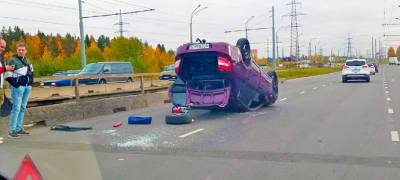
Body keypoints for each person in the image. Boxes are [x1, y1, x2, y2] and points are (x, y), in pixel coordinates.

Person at [7, 42, 33, 138]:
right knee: (16, 108)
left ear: (25, 51)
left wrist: (30, 83)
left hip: (27, 87)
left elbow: (31, 72)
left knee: (22, 108)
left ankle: (18, 128)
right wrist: (16, 84)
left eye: (22, 50)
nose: (21, 51)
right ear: (17, 50)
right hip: (18, 87)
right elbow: (7, 75)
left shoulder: (27, 60)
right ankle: (12, 130)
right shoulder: (12, 61)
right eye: (19, 50)